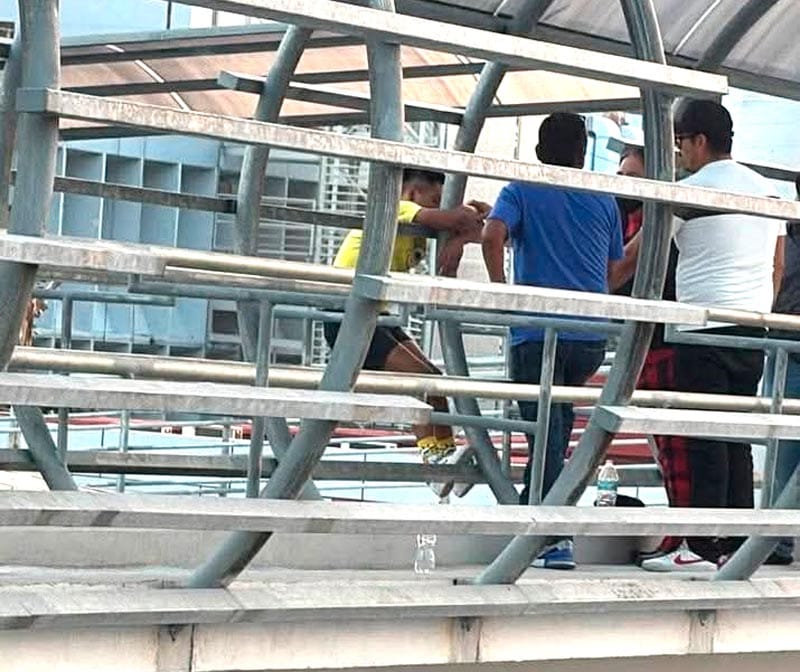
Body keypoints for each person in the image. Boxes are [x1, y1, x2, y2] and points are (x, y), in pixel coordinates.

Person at [640, 99, 785, 572]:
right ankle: (737, 544)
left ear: (699, 140)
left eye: (681, 142)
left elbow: (644, 257)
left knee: (703, 436)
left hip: (699, 326)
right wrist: (759, 309)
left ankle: (700, 546)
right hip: (753, 325)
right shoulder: (768, 192)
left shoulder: (688, 190)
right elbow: (777, 267)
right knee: (737, 439)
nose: (679, 152)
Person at [482, 112, 628, 570]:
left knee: (545, 433)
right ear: (582, 152)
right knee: (557, 429)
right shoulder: (603, 198)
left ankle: (549, 532)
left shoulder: (522, 188)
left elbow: (492, 233)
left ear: (539, 150)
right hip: (589, 336)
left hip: (537, 333)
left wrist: (501, 289)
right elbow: (611, 269)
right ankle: (545, 525)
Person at [326, 168, 486, 469]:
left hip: (376, 314)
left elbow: (475, 227)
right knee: (419, 380)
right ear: (414, 193)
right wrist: (467, 221)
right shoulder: (399, 207)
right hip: (345, 314)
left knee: (434, 380)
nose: (442, 206)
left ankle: (446, 451)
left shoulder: (422, 230)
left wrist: (460, 238)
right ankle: (430, 454)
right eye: (436, 199)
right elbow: (459, 220)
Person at [612, 146, 690, 563]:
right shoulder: (630, 217)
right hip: (649, 339)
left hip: (661, 340)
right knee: (668, 443)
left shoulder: (651, 220)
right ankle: (692, 533)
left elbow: (617, 271)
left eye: (632, 176)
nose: (623, 185)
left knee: (674, 443)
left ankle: (686, 534)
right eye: (621, 175)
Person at [762, 172, 800, 566]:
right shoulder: (786, 235)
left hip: (787, 344)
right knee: (783, 448)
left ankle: (776, 539)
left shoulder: (784, 235)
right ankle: (776, 539)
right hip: (788, 345)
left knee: (783, 447)